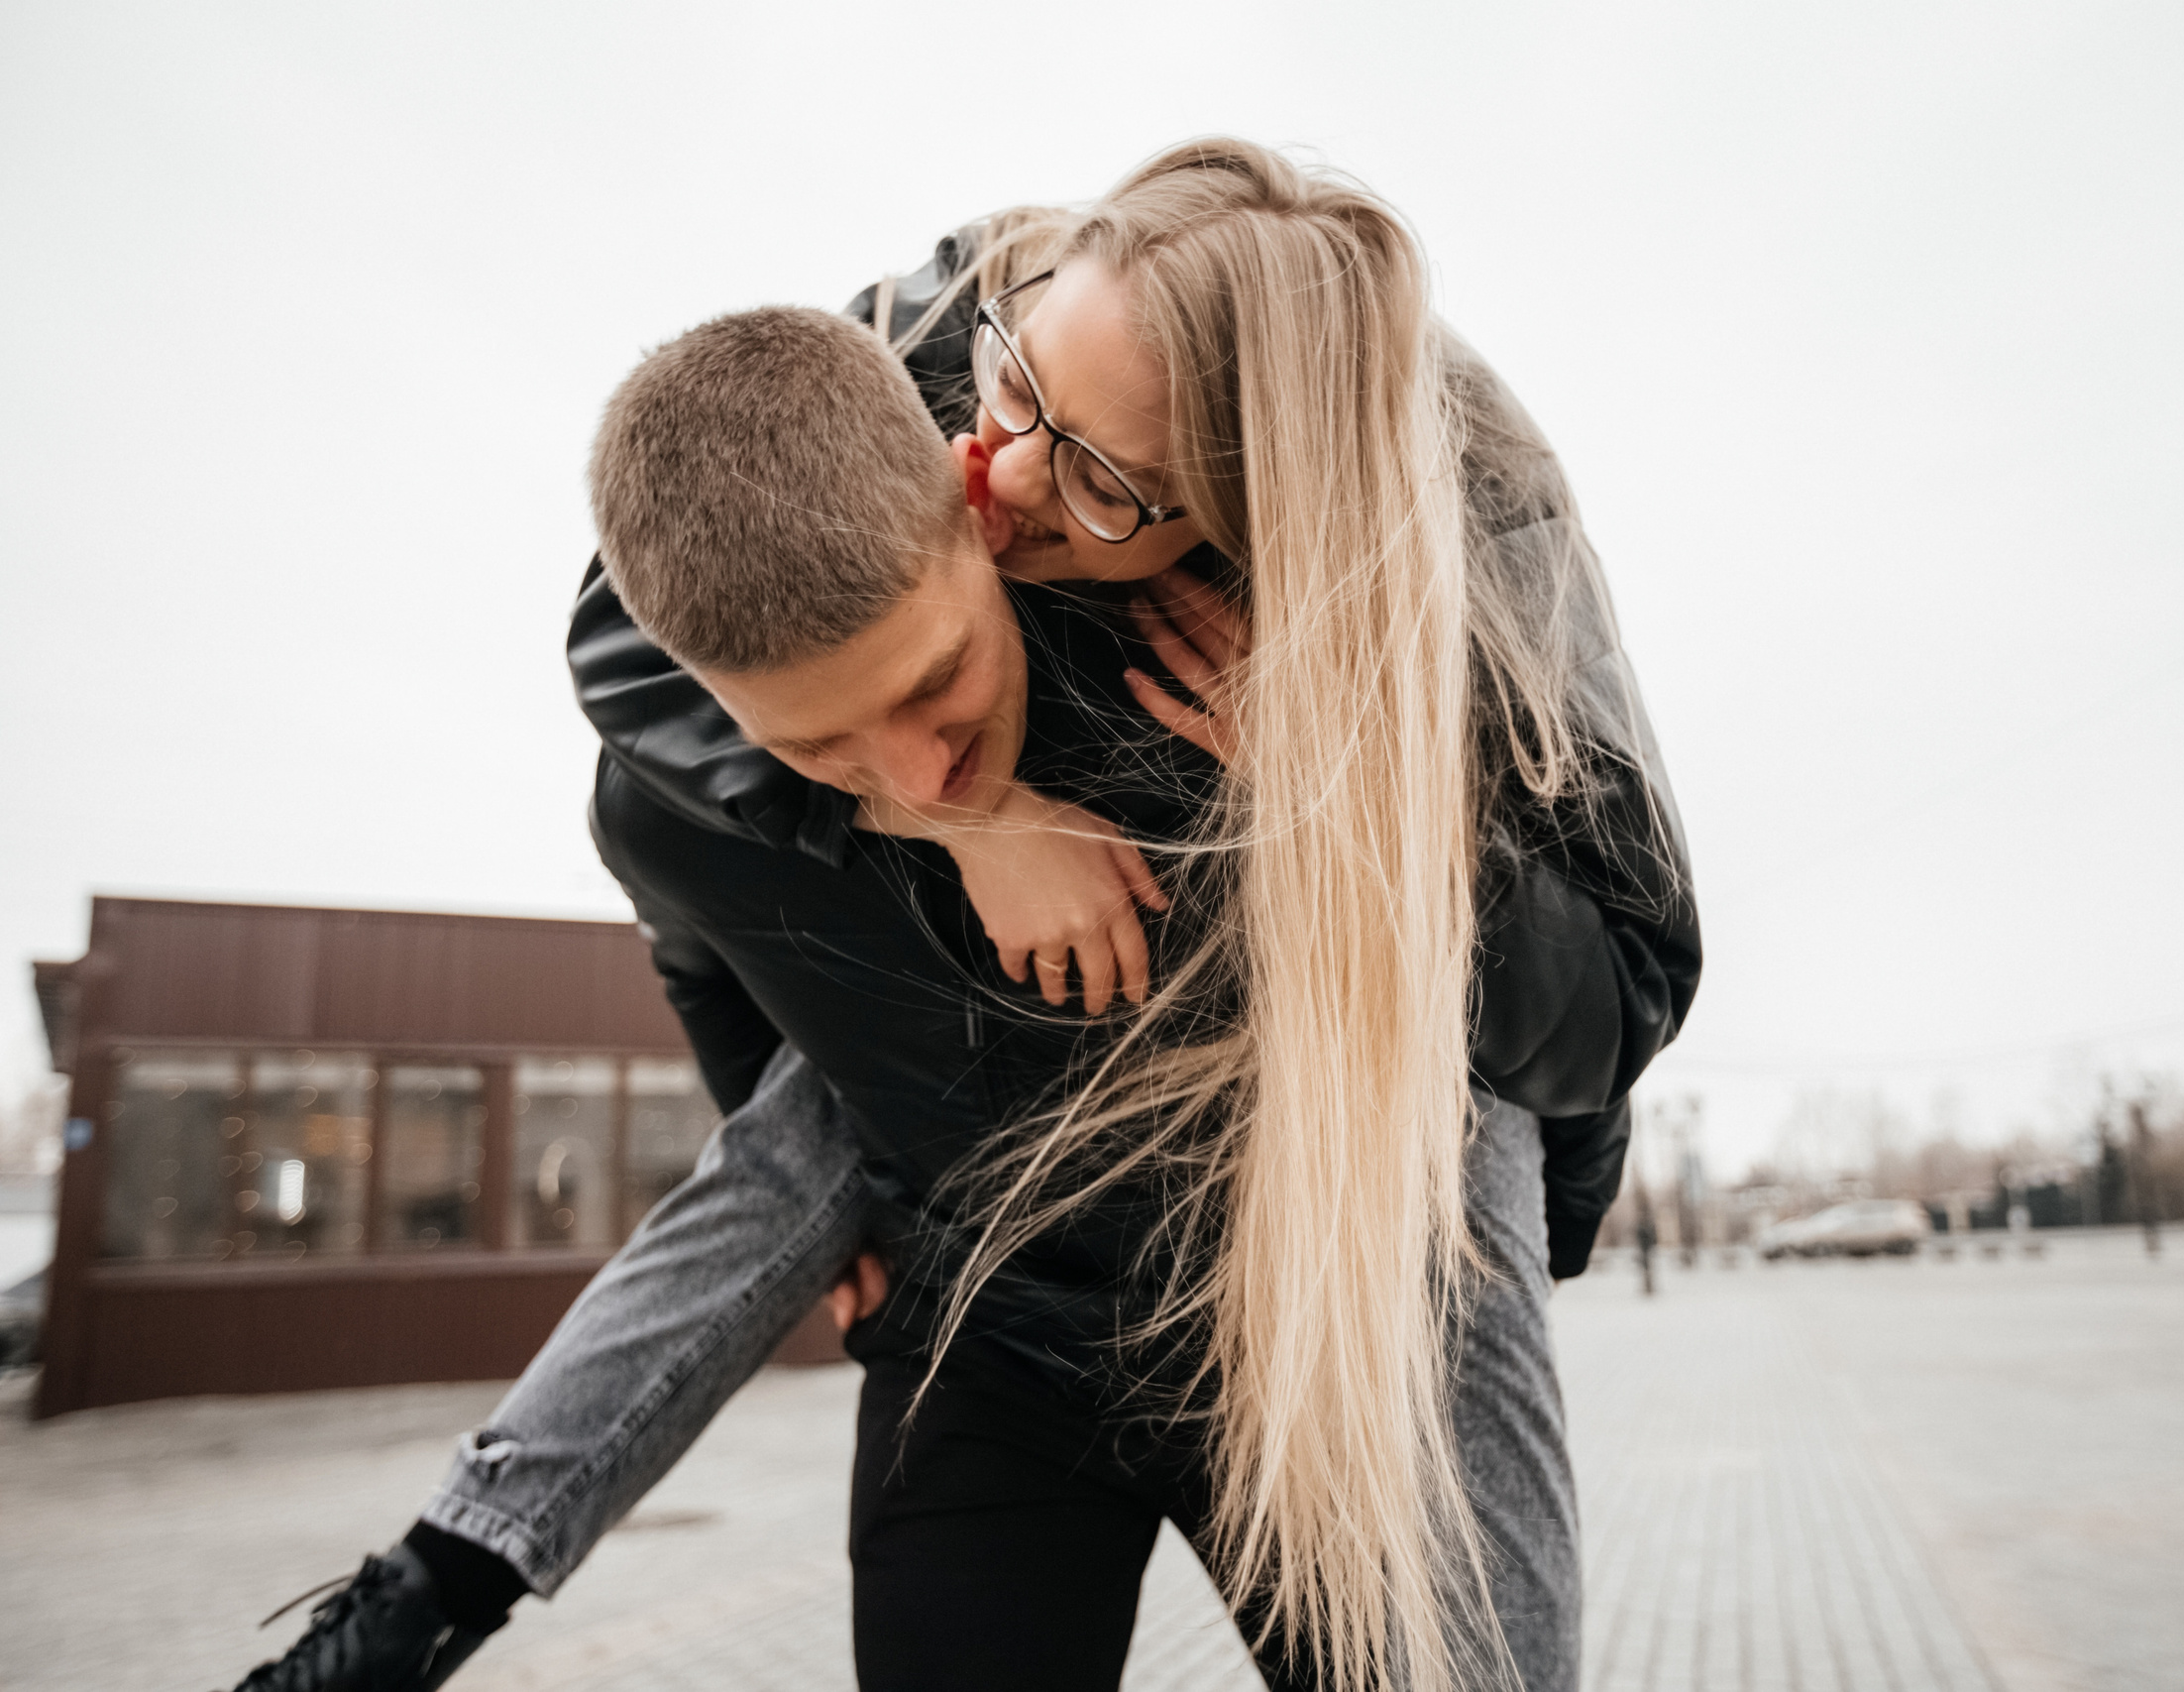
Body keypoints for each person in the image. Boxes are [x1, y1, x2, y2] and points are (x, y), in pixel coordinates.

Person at [231, 140, 1696, 1692]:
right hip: (994, 1277)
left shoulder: (1462, 534)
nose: (999, 480)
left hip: (1322, 1262)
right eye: (1010, 402)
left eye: (1099, 478)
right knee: (814, 1118)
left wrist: (1337, 782)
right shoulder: (942, 377)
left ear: (1248, 514)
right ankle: (419, 1598)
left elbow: (1602, 1010)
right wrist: (968, 813)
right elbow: (657, 693)